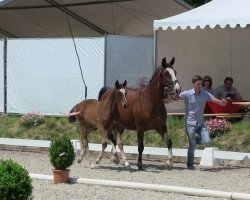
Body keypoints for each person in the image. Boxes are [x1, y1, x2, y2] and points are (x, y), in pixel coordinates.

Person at [179, 75, 227, 170]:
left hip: (200, 123)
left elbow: (213, 99)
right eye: (198, 83)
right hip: (190, 123)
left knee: (207, 141)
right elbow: (176, 97)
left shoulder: (205, 93)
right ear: (193, 84)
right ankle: (190, 164)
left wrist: (221, 103)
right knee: (192, 146)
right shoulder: (187, 94)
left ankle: (192, 140)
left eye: (201, 83)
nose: (200, 85)